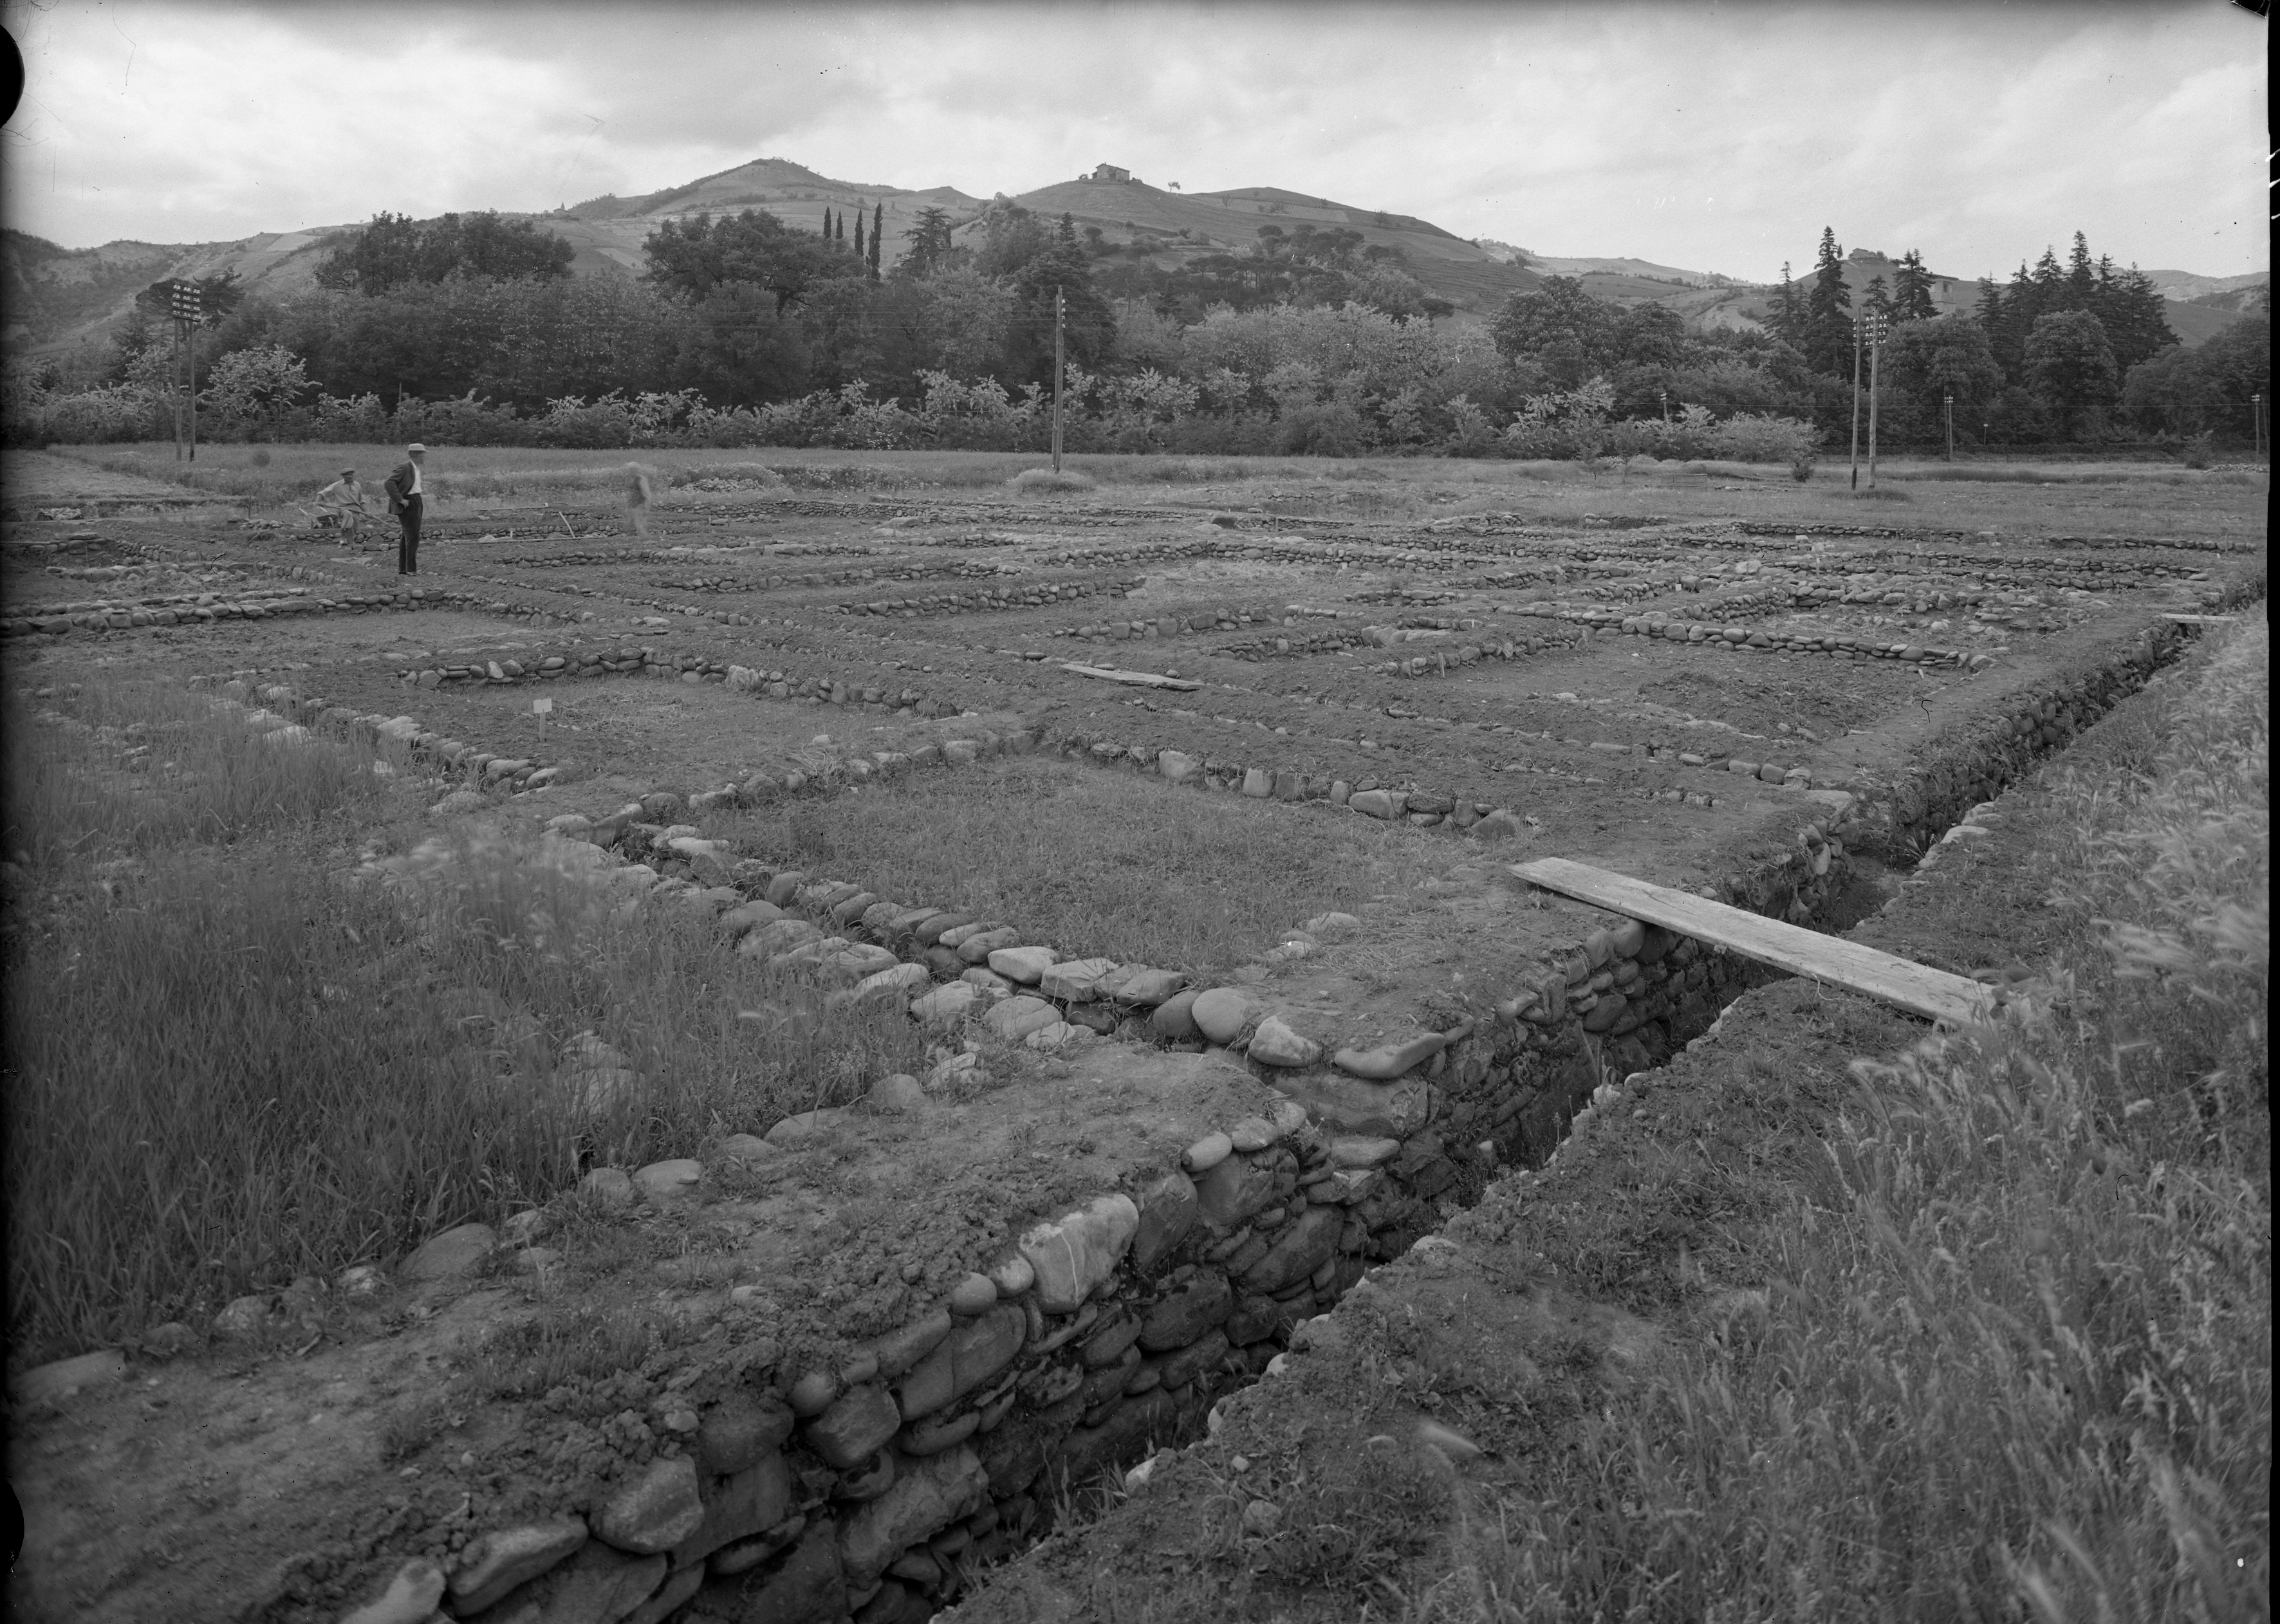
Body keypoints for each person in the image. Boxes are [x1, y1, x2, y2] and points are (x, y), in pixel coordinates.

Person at [383, 443, 428, 575]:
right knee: (413, 536)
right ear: (416, 455)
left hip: (416, 500)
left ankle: (404, 569)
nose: (424, 457)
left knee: (407, 536)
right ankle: (411, 570)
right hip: (409, 501)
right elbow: (389, 483)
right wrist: (400, 500)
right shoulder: (405, 467)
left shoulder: (416, 469)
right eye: (423, 454)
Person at [311, 468, 369, 545]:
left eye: (351, 474)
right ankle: (343, 537)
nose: (350, 476)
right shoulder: (337, 485)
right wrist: (319, 501)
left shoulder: (357, 485)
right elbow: (323, 493)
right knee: (348, 515)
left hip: (355, 508)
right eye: (348, 475)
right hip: (342, 508)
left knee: (353, 526)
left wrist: (366, 513)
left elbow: (361, 501)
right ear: (343, 476)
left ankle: (350, 544)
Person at [625, 462, 654, 538]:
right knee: (629, 527)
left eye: (634, 469)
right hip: (631, 506)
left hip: (640, 506)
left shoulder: (641, 479)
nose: (632, 471)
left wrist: (647, 508)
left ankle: (647, 542)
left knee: (640, 527)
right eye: (631, 469)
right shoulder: (629, 479)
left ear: (638, 470)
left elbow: (647, 495)